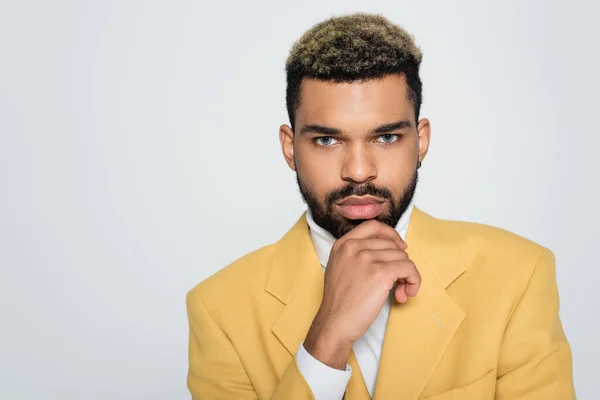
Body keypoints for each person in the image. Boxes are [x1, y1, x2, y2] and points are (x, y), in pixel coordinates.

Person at [185, 13, 575, 399]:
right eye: (327, 140)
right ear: (290, 148)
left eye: (386, 137)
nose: (358, 172)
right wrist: (327, 340)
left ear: (421, 141)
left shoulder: (517, 275)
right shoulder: (219, 309)